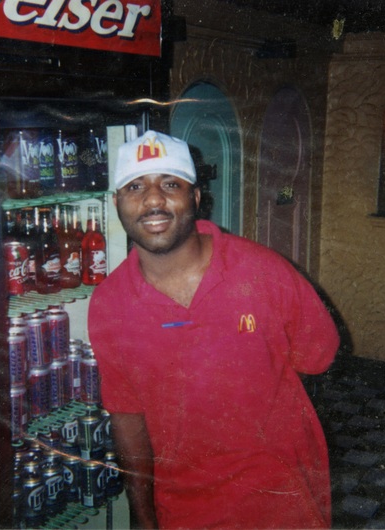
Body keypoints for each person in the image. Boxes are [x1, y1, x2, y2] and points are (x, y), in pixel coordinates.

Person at [88, 130, 340, 529]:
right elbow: (128, 419)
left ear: (196, 198)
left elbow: (318, 358)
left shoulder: (264, 272)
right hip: (185, 511)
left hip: (282, 503)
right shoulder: (109, 304)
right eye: (135, 187)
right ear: (117, 203)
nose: (153, 199)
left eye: (170, 184)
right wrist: (142, 515)